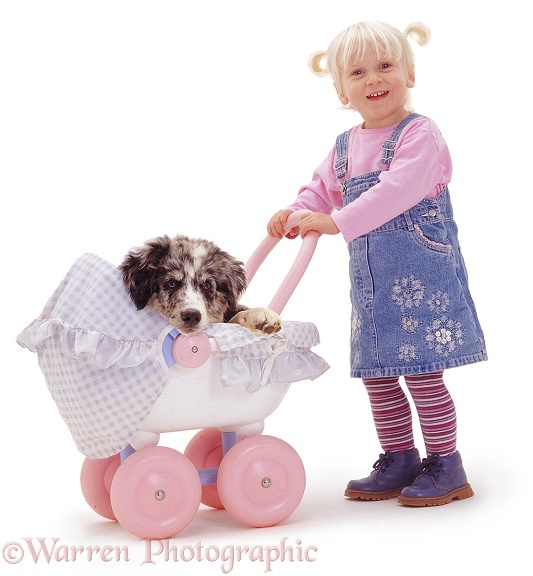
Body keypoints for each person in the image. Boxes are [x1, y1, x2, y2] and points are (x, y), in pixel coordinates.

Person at [267, 20, 487, 506]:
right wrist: (298, 211)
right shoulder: (345, 146)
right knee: (378, 375)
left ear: (409, 74)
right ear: (341, 90)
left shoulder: (419, 135)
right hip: (371, 287)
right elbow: (319, 189)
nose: (373, 80)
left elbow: (397, 192)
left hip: (422, 281)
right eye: (358, 72)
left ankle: (447, 463)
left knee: (424, 372)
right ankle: (399, 456)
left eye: (385, 66)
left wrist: (336, 222)